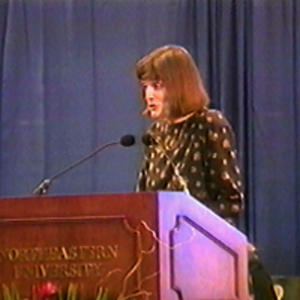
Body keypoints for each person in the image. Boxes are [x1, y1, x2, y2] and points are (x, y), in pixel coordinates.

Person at [135, 45, 277, 300]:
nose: (149, 95)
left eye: (157, 85)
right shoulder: (156, 135)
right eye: (146, 86)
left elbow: (231, 202)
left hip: (206, 257)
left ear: (179, 85)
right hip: (163, 259)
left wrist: (186, 229)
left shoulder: (209, 125)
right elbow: (143, 201)